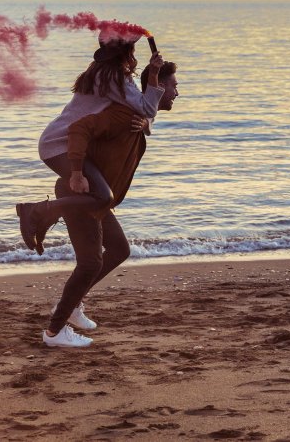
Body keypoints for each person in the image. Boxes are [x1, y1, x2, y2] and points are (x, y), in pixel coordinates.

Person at [38, 61, 179, 348]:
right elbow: (79, 129)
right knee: (90, 263)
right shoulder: (124, 115)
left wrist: (147, 125)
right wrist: (76, 173)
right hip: (80, 192)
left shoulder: (136, 119)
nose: (177, 93)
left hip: (92, 195)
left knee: (119, 249)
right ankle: (54, 330)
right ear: (159, 88)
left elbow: (142, 116)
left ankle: (71, 305)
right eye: (174, 86)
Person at [16, 36, 164, 256]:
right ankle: (36, 210)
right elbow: (147, 108)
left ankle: (44, 217)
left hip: (59, 141)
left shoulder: (103, 71)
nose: (133, 56)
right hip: (61, 145)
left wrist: (145, 122)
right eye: (132, 51)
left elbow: (138, 113)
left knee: (102, 196)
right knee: (103, 196)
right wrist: (153, 74)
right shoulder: (113, 76)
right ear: (126, 53)